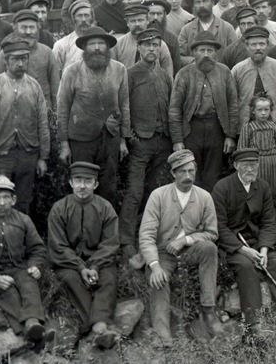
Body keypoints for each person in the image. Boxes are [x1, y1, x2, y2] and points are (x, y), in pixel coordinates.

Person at [138, 148, 224, 347]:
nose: (188, 176)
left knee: (209, 248)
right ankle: (162, 332)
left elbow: (212, 233)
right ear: (173, 173)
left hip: (190, 251)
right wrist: (154, 265)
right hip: (162, 253)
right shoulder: (158, 196)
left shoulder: (204, 197)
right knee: (158, 279)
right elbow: (146, 235)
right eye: (182, 172)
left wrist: (186, 240)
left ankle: (208, 312)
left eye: (191, 171)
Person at [212, 148, 276, 342]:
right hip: (233, 243)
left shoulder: (262, 187)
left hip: (258, 241)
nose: (251, 169)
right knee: (246, 265)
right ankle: (253, 324)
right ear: (236, 166)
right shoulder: (222, 188)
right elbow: (219, 227)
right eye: (246, 165)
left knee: (274, 260)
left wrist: (264, 249)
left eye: (254, 164)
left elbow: (269, 221)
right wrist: (245, 251)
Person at [0, 176, 55, 352]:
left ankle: (32, 323)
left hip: (19, 267)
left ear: (13, 200)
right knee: (9, 293)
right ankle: (33, 332)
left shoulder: (23, 220)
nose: (2, 203)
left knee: (29, 286)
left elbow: (37, 248)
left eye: (6, 197)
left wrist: (35, 265)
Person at [47, 162, 121, 349]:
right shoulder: (59, 208)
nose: (82, 186)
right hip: (69, 263)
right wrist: (81, 268)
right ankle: (99, 326)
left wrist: (94, 266)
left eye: (87, 181)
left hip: (99, 261)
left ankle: (98, 326)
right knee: (70, 279)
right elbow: (58, 245)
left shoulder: (105, 208)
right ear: (70, 182)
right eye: (78, 180)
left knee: (109, 278)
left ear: (95, 184)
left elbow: (110, 244)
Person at [0, 37, 50, 212]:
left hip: (27, 155)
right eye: (15, 59)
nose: (20, 63)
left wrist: (43, 157)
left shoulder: (34, 87)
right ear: (6, 61)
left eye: (24, 58)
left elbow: (42, 124)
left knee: (23, 203)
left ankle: (18, 238)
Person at [57, 26, 131, 206]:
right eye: (92, 44)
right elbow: (63, 107)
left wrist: (123, 140)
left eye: (101, 43)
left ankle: (106, 228)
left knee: (108, 186)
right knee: (82, 185)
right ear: (84, 48)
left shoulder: (119, 70)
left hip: (110, 137)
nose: (97, 48)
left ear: (107, 47)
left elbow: (124, 105)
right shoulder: (72, 71)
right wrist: (65, 144)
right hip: (81, 139)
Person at [121, 28, 175, 251]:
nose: (152, 49)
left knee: (154, 191)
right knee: (134, 191)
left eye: (155, 45)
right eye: (147, 45)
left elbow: (172, 106)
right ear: (138, 48)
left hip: (163, 142)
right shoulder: (130, 74)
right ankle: (125, 241)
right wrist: (128, 135)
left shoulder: (164, 75)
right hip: (140, 142)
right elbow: (123, 106)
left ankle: (147, 233)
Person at [169, 30, 240, 190]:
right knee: (191, 172)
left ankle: (211, 211)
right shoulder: (184, 74)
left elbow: (233, 105)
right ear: (194, 52)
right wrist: (178, 140)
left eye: (210, 50)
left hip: (217, 129)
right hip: (192, 130)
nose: (206, 55)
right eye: (202, 50)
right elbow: (174, 109)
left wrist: (230, 135)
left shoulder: (225, 72)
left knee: (213, 176)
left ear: (216, 53)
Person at [233, 26, 276, 148]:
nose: (258, 48)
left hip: (275, 131)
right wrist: (231, 135)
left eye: (262, 44)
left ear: (267, 45)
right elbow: (231, 103)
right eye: (254, 44)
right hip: (245, 132)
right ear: (247, 46)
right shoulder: (238, 70)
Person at [0, 9, 61, 108]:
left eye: (32, 27)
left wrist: (55, 113)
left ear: (38, 29)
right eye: (24, 28)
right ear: (15, 29)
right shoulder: (4, 54)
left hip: (42, 111)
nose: (28, 32)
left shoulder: (46, 53)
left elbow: (56, 88)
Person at [178, 0, 239, 66]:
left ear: (213, 3)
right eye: (198, 2)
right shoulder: (186, 30)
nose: (202, 5)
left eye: (205, 1)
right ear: (193, 6)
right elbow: (179, 56)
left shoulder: (227, 28)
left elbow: (235, 55)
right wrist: (194, 61)